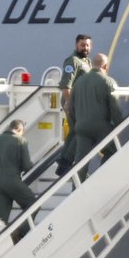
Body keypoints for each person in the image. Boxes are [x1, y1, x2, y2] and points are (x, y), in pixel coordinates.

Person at [71, 53, 123, 181]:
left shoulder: (78, 82)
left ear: (93, 65)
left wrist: (76, 124)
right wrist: (119, 125)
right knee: (113, 150)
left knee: (81, 161)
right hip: (100, 126)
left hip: (81, 127)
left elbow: (70, 107)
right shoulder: (108, 81)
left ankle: (75, 190)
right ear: (105, 66)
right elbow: (114, 108)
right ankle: (99, 179)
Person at [0, 118, 37, 244]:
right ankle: (18, 233)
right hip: (12, 181)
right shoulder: (20, 141)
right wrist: (32, 165)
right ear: (19, 129)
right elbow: (26, 165)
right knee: (33, 204)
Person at [53, 34, 92, 176]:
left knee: (75, 131)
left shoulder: (87, 61)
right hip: (73, 101)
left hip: (81, 102)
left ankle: (64, 161)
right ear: (77, 45)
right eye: (83, 45)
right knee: (80, 130)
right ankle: (66, 161)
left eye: (87, 45)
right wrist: (69, 102)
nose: (85, 48)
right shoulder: (73, 61)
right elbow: (65, 85)